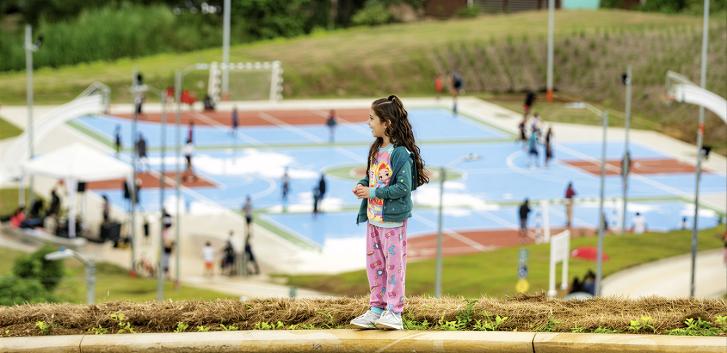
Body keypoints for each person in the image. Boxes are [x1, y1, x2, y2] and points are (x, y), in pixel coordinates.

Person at [350, 95, 428, 330]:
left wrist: (372, 192)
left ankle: (394, 312)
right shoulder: (376, 149)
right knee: (375, 266)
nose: (368, 122)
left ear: (387, 123)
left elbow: (402, 188)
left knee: (394, 267)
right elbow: (372, 176)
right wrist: (364, 185)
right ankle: (377, 308)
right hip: (374, 220)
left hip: (392, 222)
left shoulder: (400, 154)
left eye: (372, 118)